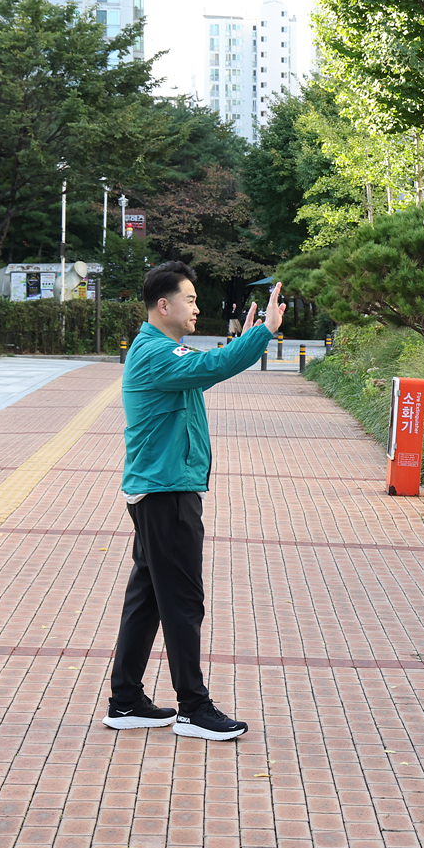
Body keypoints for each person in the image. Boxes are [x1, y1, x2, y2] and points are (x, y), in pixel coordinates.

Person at [105, 262, 284, 738]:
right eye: (190, 299)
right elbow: (208, 366)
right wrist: (263, 333)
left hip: (161, 488)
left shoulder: (159, 349)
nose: (197, 307)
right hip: (166, 492)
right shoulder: (153, 352)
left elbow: (204, 369)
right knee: (182, 599)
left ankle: (125, 700)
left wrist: (245, 342)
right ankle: (193, 708)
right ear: (163, 306)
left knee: (148, 598)